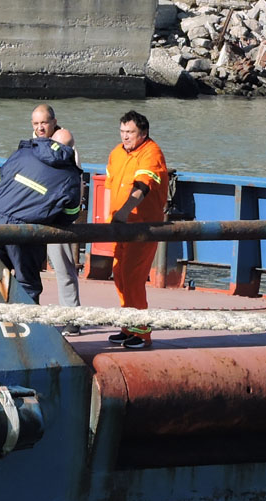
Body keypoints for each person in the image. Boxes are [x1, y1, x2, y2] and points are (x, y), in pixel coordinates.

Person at [0, 129, 82, 304]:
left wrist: (6, 206)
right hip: (25, 232)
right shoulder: (70, 175)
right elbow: (70, 215)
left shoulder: (24, 152)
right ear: (72, 149)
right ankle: (27, 328)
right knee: (27, 284)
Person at [104, 110, 169, 349]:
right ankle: (127, 326)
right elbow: (109, 188)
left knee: (133, 277)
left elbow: (143, 187)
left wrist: (123, 213)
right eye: (122, 132)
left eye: (130, 132)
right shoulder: (116, 153)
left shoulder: (151, 153)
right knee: (119, 275)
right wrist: (108, 218)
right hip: (119, 227)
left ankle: (142, 333)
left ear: (143, 134)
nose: (125, 137)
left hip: (142, 227)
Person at [30, 104, 83, 336]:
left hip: (57, 216)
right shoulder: (30, 143)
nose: (40, 128)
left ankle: (72, 318)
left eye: (44, 123)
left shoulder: (65, 144)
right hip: (32, 214)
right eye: (36, 124)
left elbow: (73, 182)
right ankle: (29, 317)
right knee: (26, 267)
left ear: (53, 122)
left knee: (63, 266)